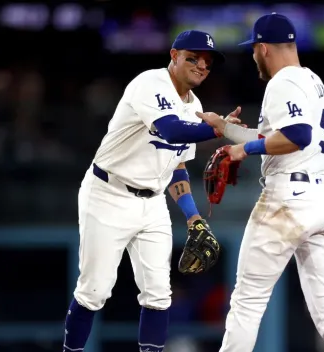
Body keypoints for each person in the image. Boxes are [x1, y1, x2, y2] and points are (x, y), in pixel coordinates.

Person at [62, 30, 241, 352]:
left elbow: (176, 167)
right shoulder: (150, 83)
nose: (201, 66)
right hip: (108, 193)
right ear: (173, 56)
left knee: (159, 294)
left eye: (208, 62)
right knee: (94, 292)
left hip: (153, 201)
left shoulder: (195, 106)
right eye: (193, 58)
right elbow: (170, 130)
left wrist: (193, 217)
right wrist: (219, 127)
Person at [196, 13, 324, 352]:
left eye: (254, 49)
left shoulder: (281, 82)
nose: (254, 55)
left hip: (290, 199)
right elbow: (276, 136)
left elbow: (296, 136)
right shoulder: (313, 82)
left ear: (264, 48)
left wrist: (244, 149)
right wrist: (225, 129)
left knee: (247, 302)